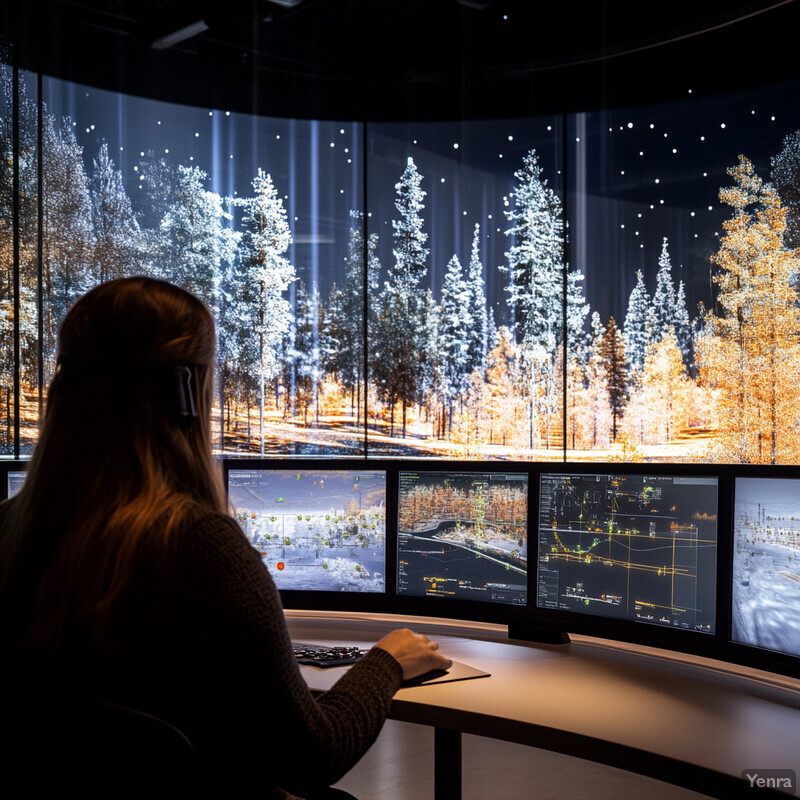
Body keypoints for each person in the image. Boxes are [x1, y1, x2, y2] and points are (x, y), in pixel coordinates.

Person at [0, 276, 450, 799]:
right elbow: (315, 755)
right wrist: (388, 661)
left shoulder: (11, 531)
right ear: (186, 394)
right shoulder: (199, 548)